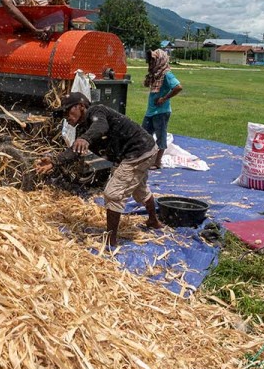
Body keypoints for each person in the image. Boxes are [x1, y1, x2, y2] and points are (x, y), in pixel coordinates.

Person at [34, 92, 163, 247]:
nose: (66, 117)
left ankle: (111, 240)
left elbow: (100, 126)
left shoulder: (97, 111)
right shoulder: (83, 129)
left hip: (138, 152)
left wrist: (86, 139)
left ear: (81, 106)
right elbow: (76, 150)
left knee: (112, 193)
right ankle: (153, 221)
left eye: (68, 110)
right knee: (139, 189)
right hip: (138, 152)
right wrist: (54, 161)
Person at [143, 49, 182, 169]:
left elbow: (178, 87)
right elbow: (147, 84)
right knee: (143, 135)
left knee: (161, 137)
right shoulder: (155, 73)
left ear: (160, 60)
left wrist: (164, 98)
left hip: (161, 111)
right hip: (151, 111)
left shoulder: (166, 74)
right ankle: (145, 158)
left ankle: (157, 162)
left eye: (153, 60)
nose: (151, 63)